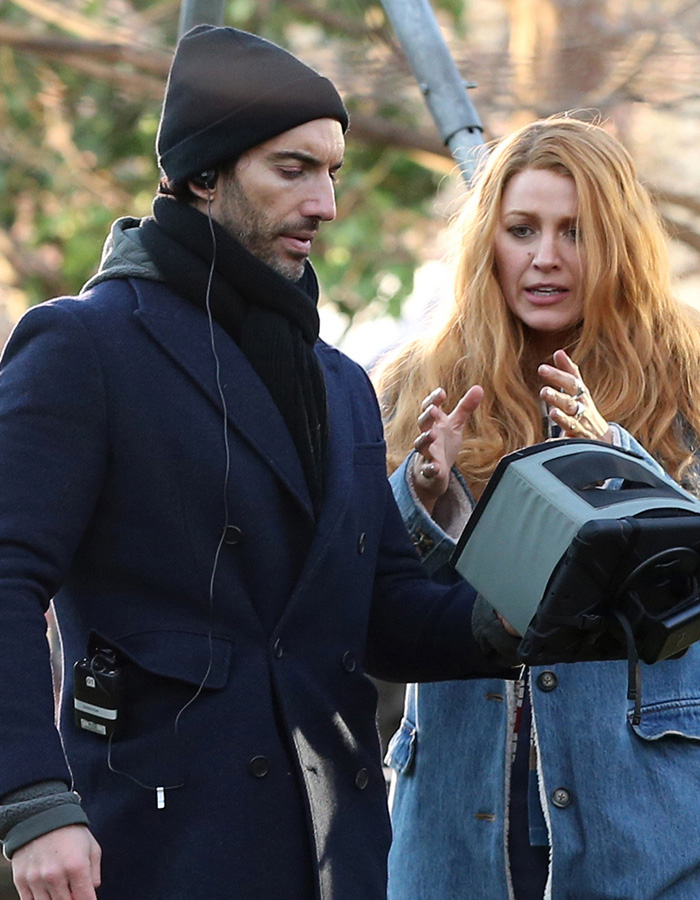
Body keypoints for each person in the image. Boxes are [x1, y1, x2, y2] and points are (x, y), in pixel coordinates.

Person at [0, 25, 515, 900]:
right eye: (293, 169)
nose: (326, 203)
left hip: (332, 859)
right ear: (203, 176)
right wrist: (34, 803)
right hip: (154, 852)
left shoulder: (342, 384)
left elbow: (383, 614)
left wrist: (527, 607)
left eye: (333, 172)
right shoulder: (82, 346)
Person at [374, 116, 700, 900]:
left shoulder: (689, 377)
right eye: (522, 229)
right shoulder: (416, 383)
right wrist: (425, 497)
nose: (545, 257)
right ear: (490, 240)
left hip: (646, 817)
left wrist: (620, 463)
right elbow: (374, 599)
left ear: (617, 242)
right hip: (460, 813)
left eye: (575, 232)